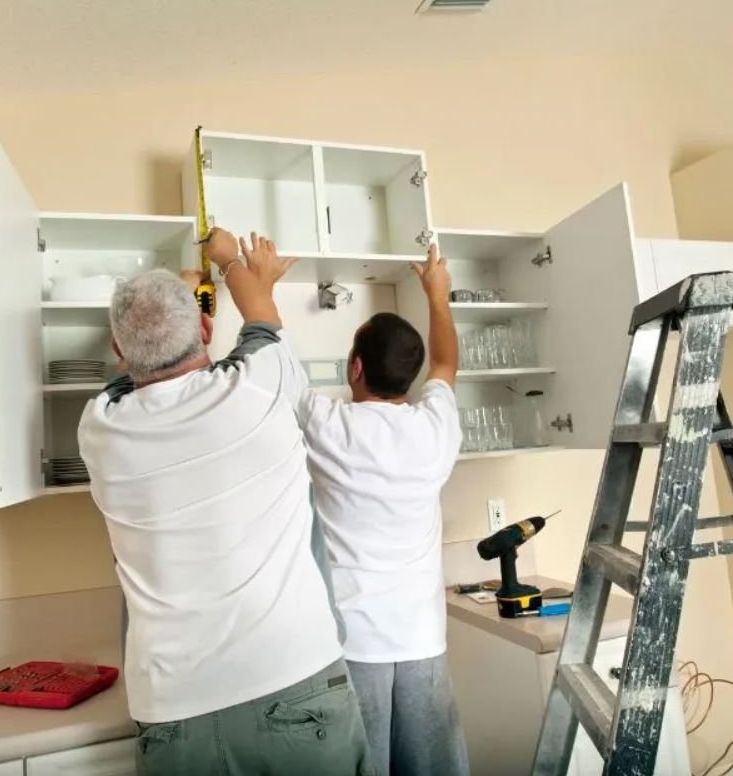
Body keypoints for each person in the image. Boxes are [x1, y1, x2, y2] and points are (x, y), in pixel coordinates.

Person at [77, 228, 374, 776]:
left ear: (119, 350)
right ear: (208, 328)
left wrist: (181, 293)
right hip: (295, 682)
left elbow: (127, 383)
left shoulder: (99, 431)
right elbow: (260, 315)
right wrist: (230, 259)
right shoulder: (261, 389)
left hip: (173, 713)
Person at [296, 244, 469, 776]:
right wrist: (437, 295)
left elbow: (276, 368)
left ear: (354, 367)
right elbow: (445, 362)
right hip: (422, 638)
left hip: (353, 643)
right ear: (410, 376)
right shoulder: (436, 426)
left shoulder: (329, 426)